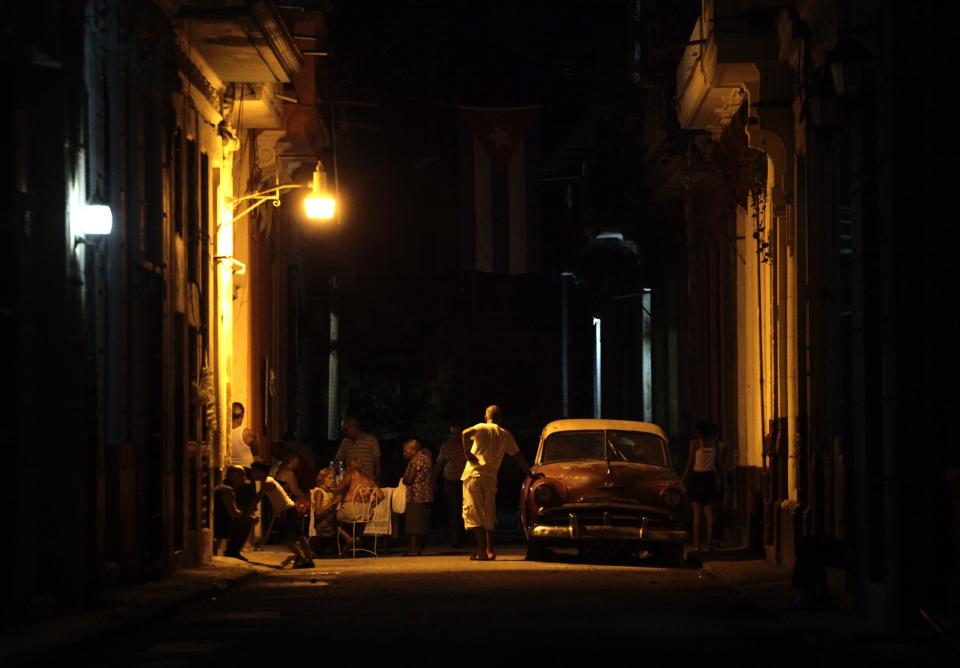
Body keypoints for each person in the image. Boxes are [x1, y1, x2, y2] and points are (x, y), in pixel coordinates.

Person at [461, 405, 538, 561]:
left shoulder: (481, 427)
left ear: (486, 416)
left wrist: (467, 452)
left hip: (473, 474)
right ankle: (490, 550)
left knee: (474, 512)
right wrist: (530, 474)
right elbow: (518, 456)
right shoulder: (505, 434)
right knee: (489, 512)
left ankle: (481, 551)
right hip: (490, 477)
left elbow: (464, 433)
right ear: (500, 418)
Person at [247, 461, 315, 569]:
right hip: (289, 509)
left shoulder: (267, 483)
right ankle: (308, 559)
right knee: (299, 536)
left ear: (260, 472)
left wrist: (248, 510)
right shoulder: (269, 481)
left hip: (288, 511)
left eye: (253, 471)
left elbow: (257, 498)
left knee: (286, 539)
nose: (252, 474)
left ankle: (301, 557)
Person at [682, 420, 726, 553]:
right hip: (710, 478)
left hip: (697, 477)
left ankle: (696, 544)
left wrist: (683, 478)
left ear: (698, 432)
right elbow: (719, 465)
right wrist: (721, 481)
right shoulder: (716, 445)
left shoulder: (694, 443)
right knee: (710, 514)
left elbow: (690, 463)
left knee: (697, 513)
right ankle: (709, 544)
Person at [432, 424, 466, 547]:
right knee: (453, 510)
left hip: (464, 482)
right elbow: (439, 464)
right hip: (450, 482)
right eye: (453, 433)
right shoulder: (446, 446)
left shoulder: (467, 445)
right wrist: (433, 480)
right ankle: (455, 539)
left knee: (465, 510)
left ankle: (464, 537)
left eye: (457, 433)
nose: (455, 436)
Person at [213, 465, 256, 560]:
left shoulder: (224, 486)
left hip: (219, 520)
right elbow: (234, 513)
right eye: (242, 475)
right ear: (234, 476)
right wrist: (248, 516)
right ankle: (232, 552)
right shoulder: (228, 490)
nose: (244, 478)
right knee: (246, 521)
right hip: (219, 523)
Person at [401, 439, 433, 556]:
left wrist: (404, 479)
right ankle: (422, 548)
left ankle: (413, 549)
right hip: (426, 493)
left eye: (406, 451)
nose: (404, 453)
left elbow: (409, 479)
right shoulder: (426, 458)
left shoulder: (416, 459)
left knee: (413, 523)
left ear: (413, 450)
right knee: (422, 522)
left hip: (416, 494)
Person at [310, 468, 353, 554]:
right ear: (322, 479)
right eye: (330, 478)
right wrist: (333, 502)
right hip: (322, 525)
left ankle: (349, 539)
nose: (333, 481)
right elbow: (318, 512)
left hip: (329, 523)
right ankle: (348, 539)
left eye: (333, 478)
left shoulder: (329, 493)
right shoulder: (319, 493)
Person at [331, 458, 384, 523]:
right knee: (357, 523)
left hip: (351, 510)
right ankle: (355, 533)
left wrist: (330, 490)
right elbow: (381, 496)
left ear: (349, 466)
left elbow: (339, 489)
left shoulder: (351, 474)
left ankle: (346, 533)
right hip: (366, 512)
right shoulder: (368, 479)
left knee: (331, 517)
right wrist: (371, 506)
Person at [333, 417, 381, 484]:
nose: (344, 432)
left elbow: (377, 462)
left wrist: (378, 480)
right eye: (344, 429)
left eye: (346, 429)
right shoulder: (345, 441)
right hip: (350, 481)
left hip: (368, 481)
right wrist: (331, 473)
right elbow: (338, 459)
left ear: (354, 427)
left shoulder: (371, 440)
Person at [230, 402, 260, 467]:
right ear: (242, 415)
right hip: (246, 471)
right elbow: (256, 452)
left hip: (230, 470)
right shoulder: (246, 433)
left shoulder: (224, 433)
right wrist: (256, 440)